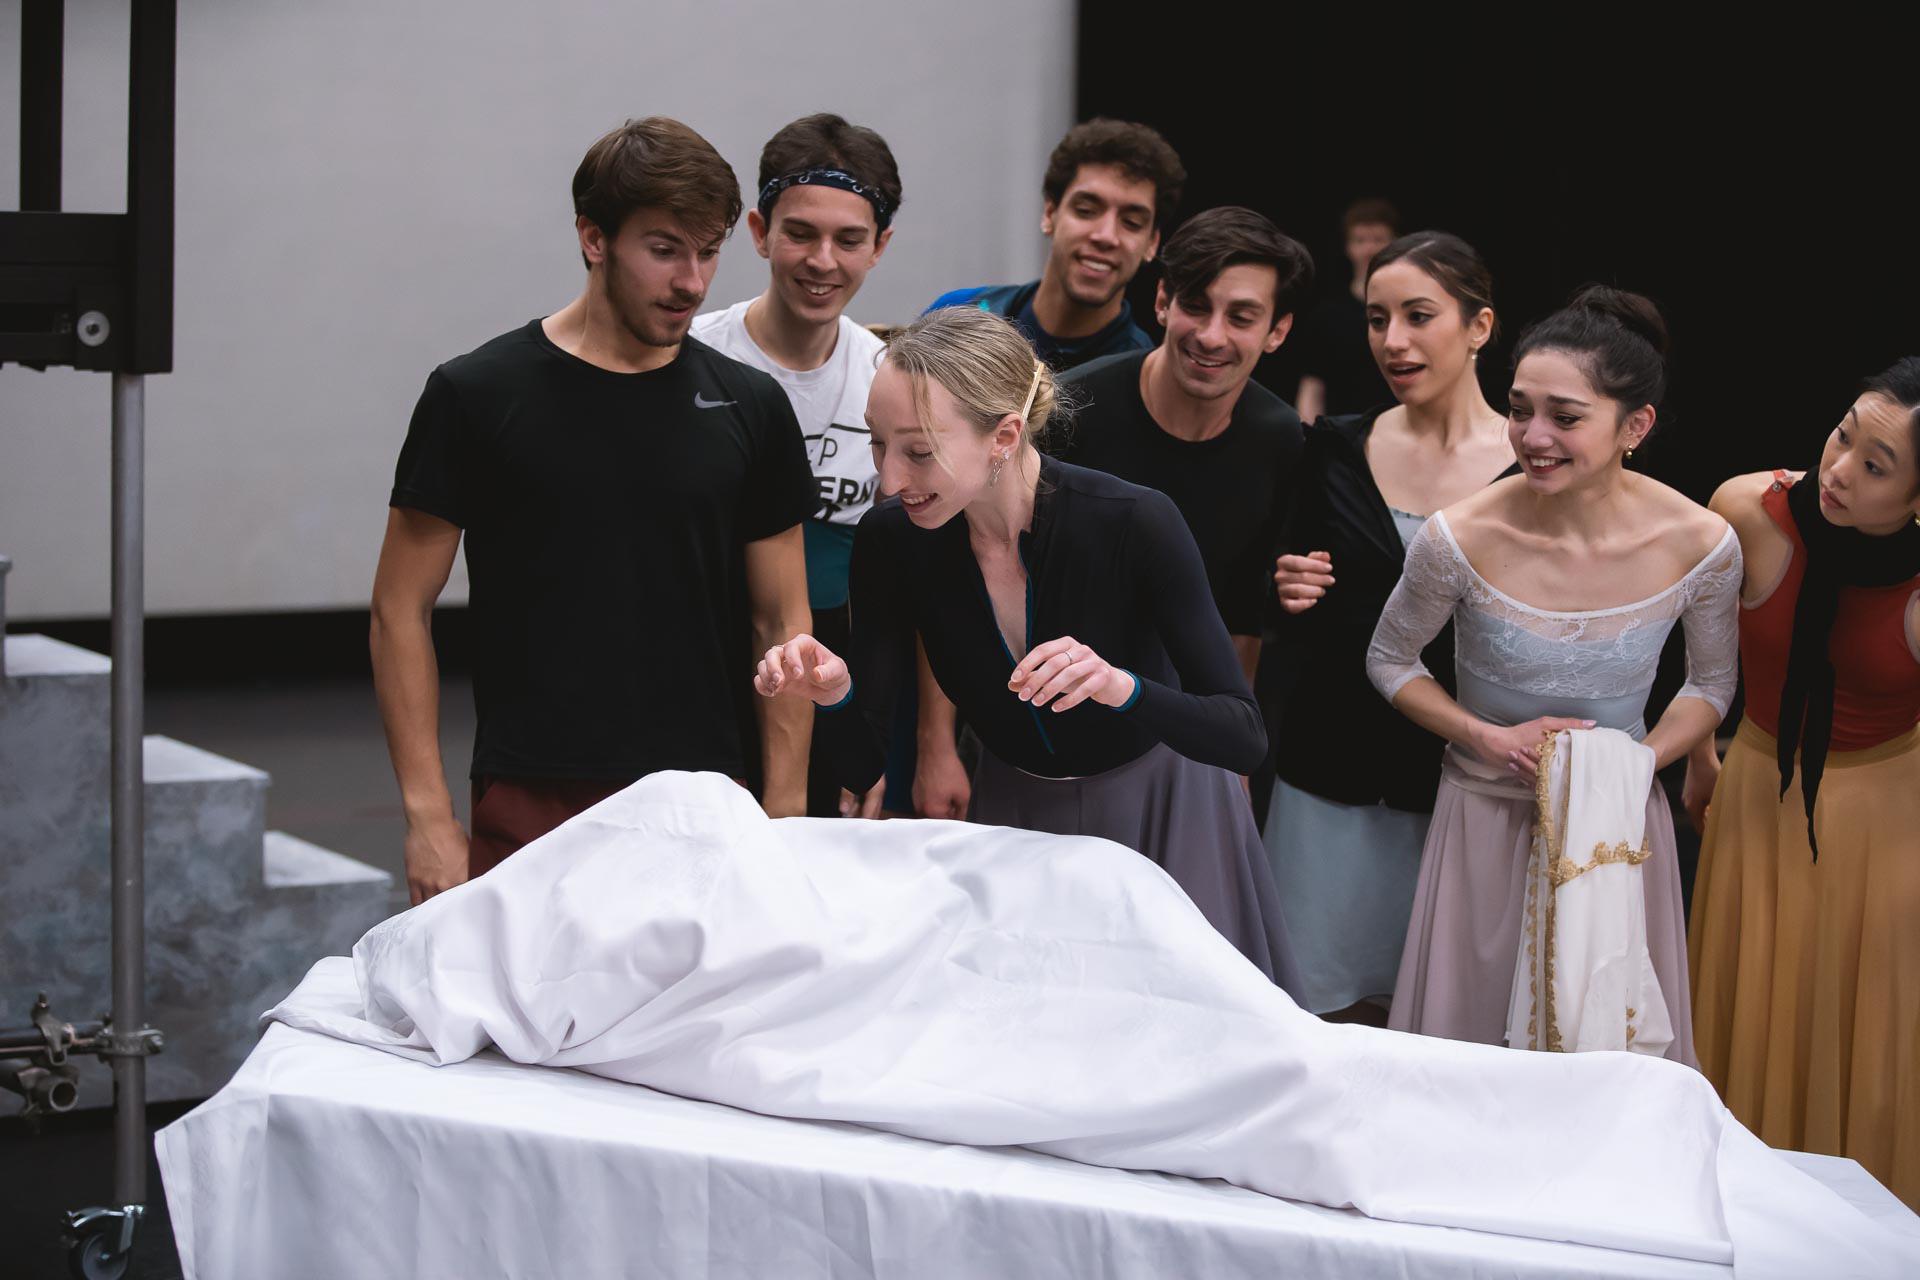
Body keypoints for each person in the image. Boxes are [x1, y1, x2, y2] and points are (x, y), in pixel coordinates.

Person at [754, 307, 1299, 988]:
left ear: (1004, 436)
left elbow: (1243, 736)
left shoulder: (1135, 521)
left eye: (918, 451)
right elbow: (866, 767)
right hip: (1018, 819)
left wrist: (1121, 686)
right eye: (876, 444)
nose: (889, 481)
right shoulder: (892, 539)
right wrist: (833, 695)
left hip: (1165, 808)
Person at [371, 117, 815, 904]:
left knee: (697, 1028)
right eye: (665, 248)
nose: (692, 281)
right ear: (593, 237)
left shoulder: (750, 405)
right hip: (533, 790)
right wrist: (428, 817)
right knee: (530, 1030)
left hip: (705, 795)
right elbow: (399, 611)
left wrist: (785, 818)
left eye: (708, 250)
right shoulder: (476, 396)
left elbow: (782, 628)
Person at [1364, 287, 1742, 1064]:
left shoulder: (1700, 543)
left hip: (1615, 831)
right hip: (1485, 819)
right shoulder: (1460, 536)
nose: (1533, 437)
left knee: (1605, 1059)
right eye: (1519, 409)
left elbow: (1709, 686)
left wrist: (1633, 763)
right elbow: (1389, 658)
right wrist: (1487, 737)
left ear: (1635, 425)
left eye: (1565, 417)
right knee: (1468, 1061)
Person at [1263, 232, 1516, 1022]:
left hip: (1459, 786)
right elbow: (1287, 589)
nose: (1393, 341)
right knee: (1311, 1013)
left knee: (1443, 1020)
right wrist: (1286, 586)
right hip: (1327, 781)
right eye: (1377, 319)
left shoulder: (1532, 465)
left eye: (1418, 315)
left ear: (1479, 327)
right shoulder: (1335, 446)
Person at [1687, 358, 1920, 1208]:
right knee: (1745, 1012)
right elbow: (1702, 663)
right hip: (1756, 792)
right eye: (1843, 434)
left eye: (1875, 465)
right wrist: (1700, 757)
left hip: (1889, 827)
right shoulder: (1748, 511)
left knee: (1869, 1037)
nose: (1839, 468)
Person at [692, 113, 900, 819]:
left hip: (836, 675)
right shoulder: (693, 356)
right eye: (801, 233)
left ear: (881, 247)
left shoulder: (889, 382)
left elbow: (917, 575)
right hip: (699, 667)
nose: (823, 261)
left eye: (849, 239)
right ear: (759, 232)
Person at [925, 118, 1184, 371]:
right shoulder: (958, 313)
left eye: (1132, 222)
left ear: (1152, 242)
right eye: (1086, 210)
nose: (1106, 236)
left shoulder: (1143, 381)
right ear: (1050, 213)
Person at [1291, 198, 1398, 424]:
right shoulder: (1327, 316)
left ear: (1394, 244)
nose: (1369, 249)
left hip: (1405, 435)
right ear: (1348, 248)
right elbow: (1312, 387)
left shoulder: (1409, 315)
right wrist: (1310, 441)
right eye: (1360, 240)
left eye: (1378, 239)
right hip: (1343, 439)